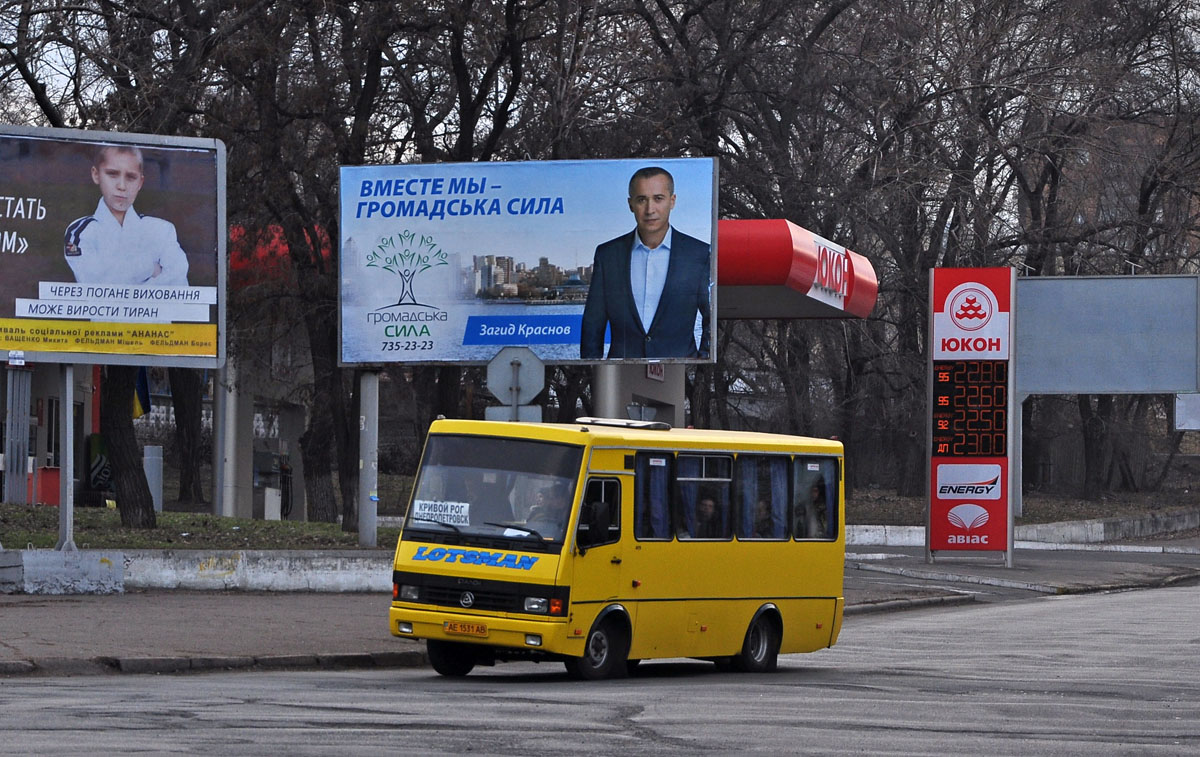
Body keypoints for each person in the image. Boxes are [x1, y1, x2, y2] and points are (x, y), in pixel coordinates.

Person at [579, 166, 711, 359]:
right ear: (630, 204)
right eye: (642, 200)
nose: (650, 209)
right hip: (619, 378)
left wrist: (700, 367)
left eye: (658, 198)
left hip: (681, 378)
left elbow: (712, 319)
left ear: (672, 201)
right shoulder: (608, 255)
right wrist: (595, 376)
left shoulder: (698, 254)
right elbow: (593, 324)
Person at [64, 144, 190, 287]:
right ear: (96, 175)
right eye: (112, 174)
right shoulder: (81, 231)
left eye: (131, 177)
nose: (122, 186)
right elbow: (96, 283)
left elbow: (178, 286)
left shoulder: (162, 230)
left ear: (140, 182)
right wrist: (150, 267)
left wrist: (118, 274)